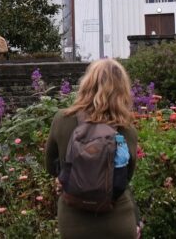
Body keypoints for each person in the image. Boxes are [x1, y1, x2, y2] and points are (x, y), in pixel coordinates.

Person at [44, 59, 141, 239]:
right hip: (117, 220)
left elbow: (50, 166)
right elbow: (126, 175)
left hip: (74, 221)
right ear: (122, 90)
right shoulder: (126, 128)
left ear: (86, 85)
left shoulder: (63, 119)